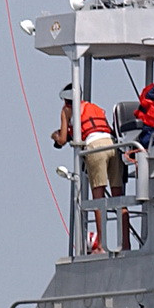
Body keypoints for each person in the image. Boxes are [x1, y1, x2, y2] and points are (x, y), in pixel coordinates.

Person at [53, 84, 128, 249]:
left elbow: (63, 139)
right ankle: (126, 243)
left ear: (67, 99)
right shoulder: (94, 107)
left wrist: (55, 136)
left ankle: (101, 244)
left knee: (98, 199)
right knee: (119, 198)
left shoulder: (67, 110)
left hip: (95, 148)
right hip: (112, 145)